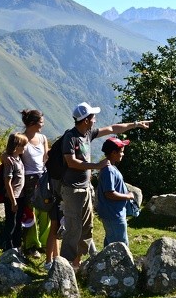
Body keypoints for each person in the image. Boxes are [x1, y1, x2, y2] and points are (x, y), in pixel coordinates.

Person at [60, 102, 151, 269]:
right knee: (73, 228)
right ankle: (63, 267)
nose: (95, 120)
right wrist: (97, 165)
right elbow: (70, 162)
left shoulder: (87, 134)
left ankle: (76, 263)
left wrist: (136, 124)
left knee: (87, 228)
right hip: (72, 189)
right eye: (93, 117)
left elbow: (112, 129)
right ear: (86, 120)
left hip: (85, 188)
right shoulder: (71, 137)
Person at [19, 109, 50, 259]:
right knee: (30, 212)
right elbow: (12, 156)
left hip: (43, 178)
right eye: (41, 122)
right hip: (28, 179)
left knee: (45, 210)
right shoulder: (21, 138)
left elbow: (46, 157)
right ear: (32, 123)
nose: (42, 125)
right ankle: (31, 245)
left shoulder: (43, 138)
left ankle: (44, 243)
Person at [96, 137, 135, 247]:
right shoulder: (109, 170)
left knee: (110, 244)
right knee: (120, 246)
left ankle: (104, 263)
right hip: (113, 214)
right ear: (113, 153)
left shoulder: (111, 167)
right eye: (121, 152)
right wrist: (128, 196)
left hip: (114, 212)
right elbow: (109, 193)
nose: (123, 154)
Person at [1, 132, 29, 251]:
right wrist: (13, 202)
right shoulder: (10, 162)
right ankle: (8, 248)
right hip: (13, 198)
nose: (25, 148)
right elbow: (7, 182)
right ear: (17, 147)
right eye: (23, 145)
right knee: (11, 224)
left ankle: (16, 247)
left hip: (20, 197)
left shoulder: (18, 158)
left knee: (18, 223)